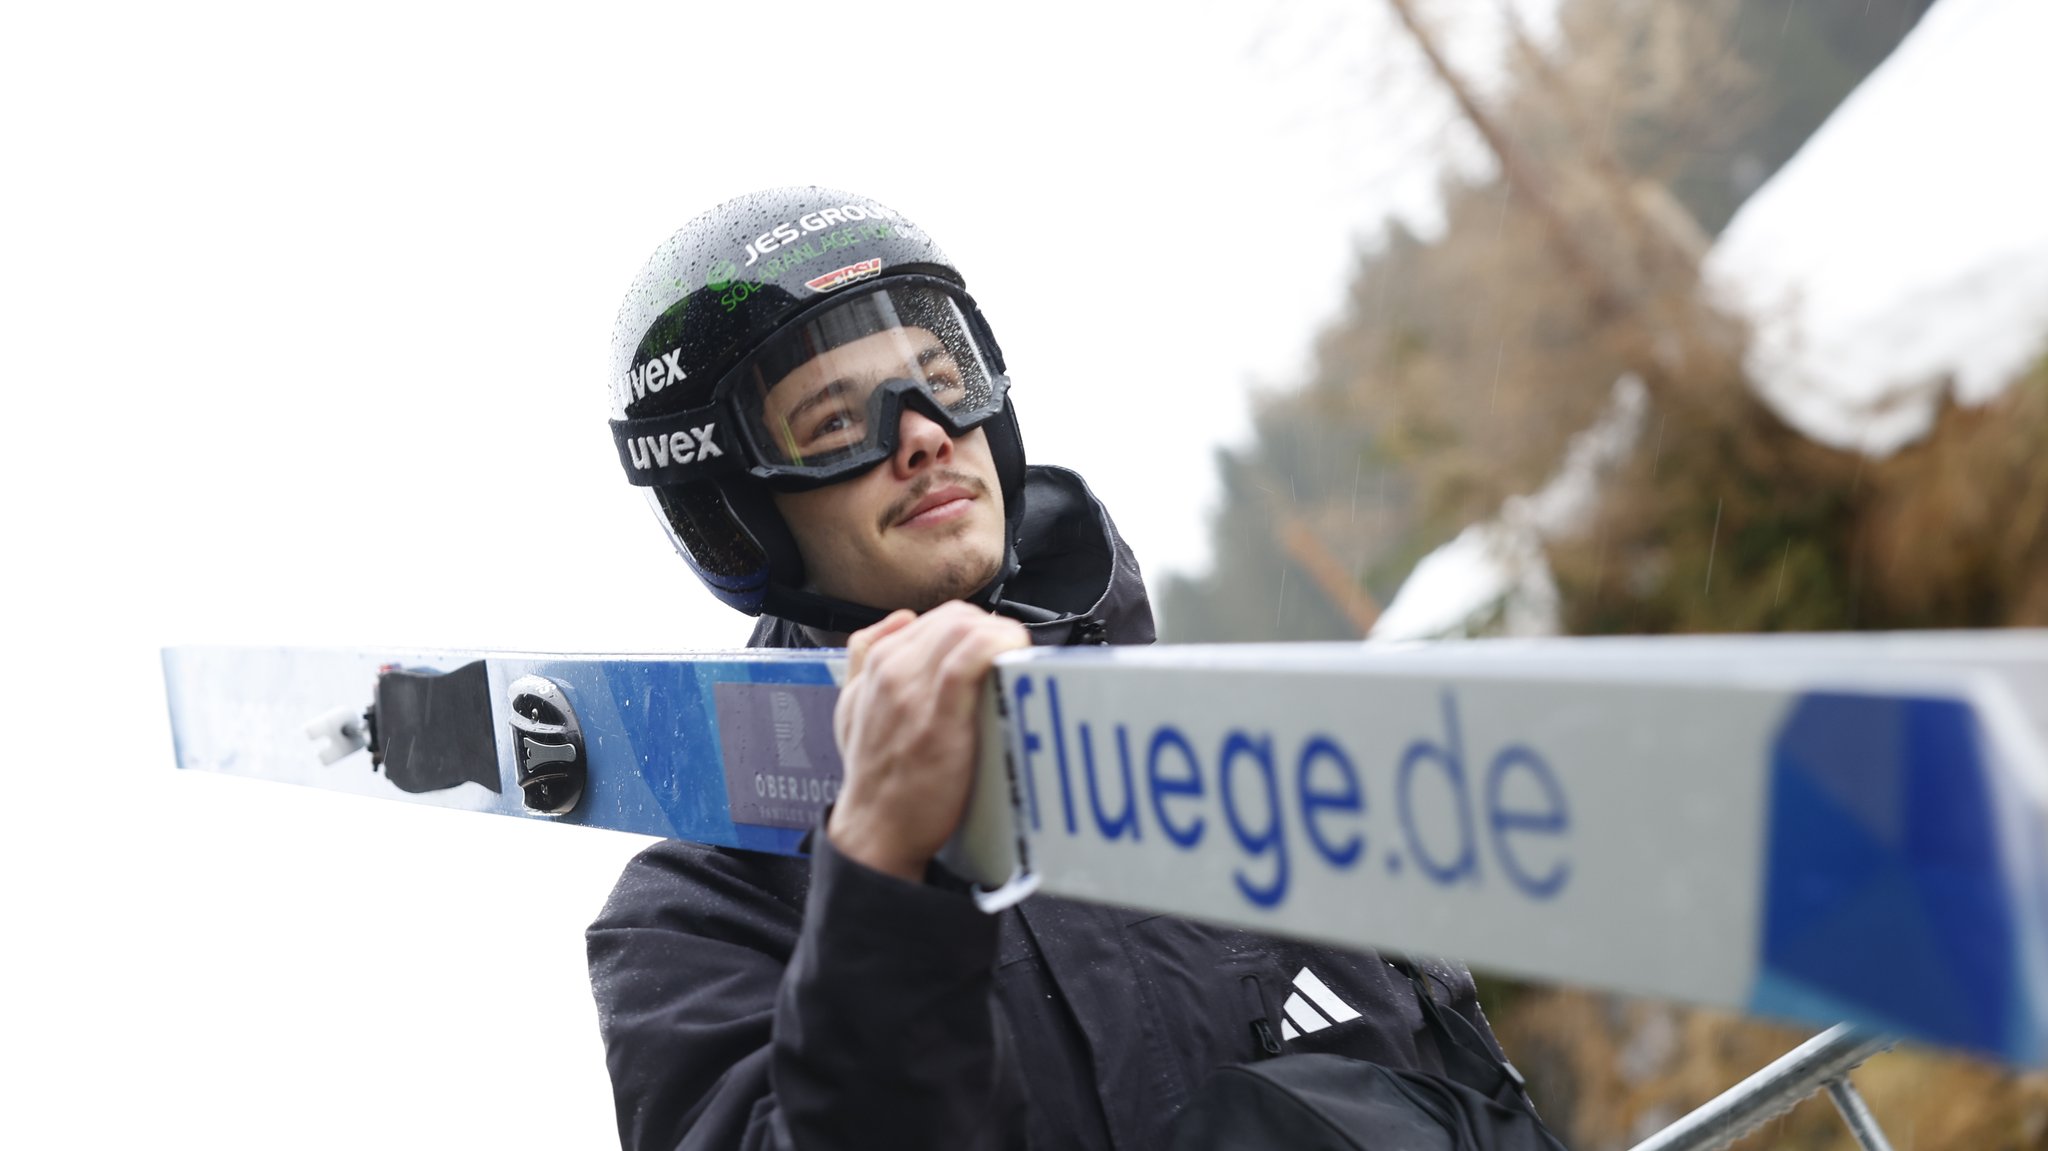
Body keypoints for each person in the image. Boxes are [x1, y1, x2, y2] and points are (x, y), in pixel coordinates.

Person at [587, 187, 1515, 1149]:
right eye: (833, 425)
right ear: (731, 506)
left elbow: (1455, 1073)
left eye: (943, 379)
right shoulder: (693, 920)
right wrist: (882, 874)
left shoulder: (1226, 752)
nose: (922, 432)